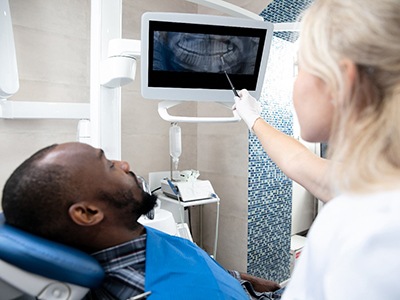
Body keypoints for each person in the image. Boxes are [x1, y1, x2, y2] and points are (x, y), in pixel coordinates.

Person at [235, 0, 400, 299]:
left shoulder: (364, 230)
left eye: (301, 68)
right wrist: (253, 118)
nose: (296, 84)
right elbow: (300, 161)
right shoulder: (379, 184)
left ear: (341, 82)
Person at [1, 142, 281, 299]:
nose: (124, 164)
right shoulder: (155, 291)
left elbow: (191, 263)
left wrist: (247, 280)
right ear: (87, 214)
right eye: (109, 165)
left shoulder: (134, 240)